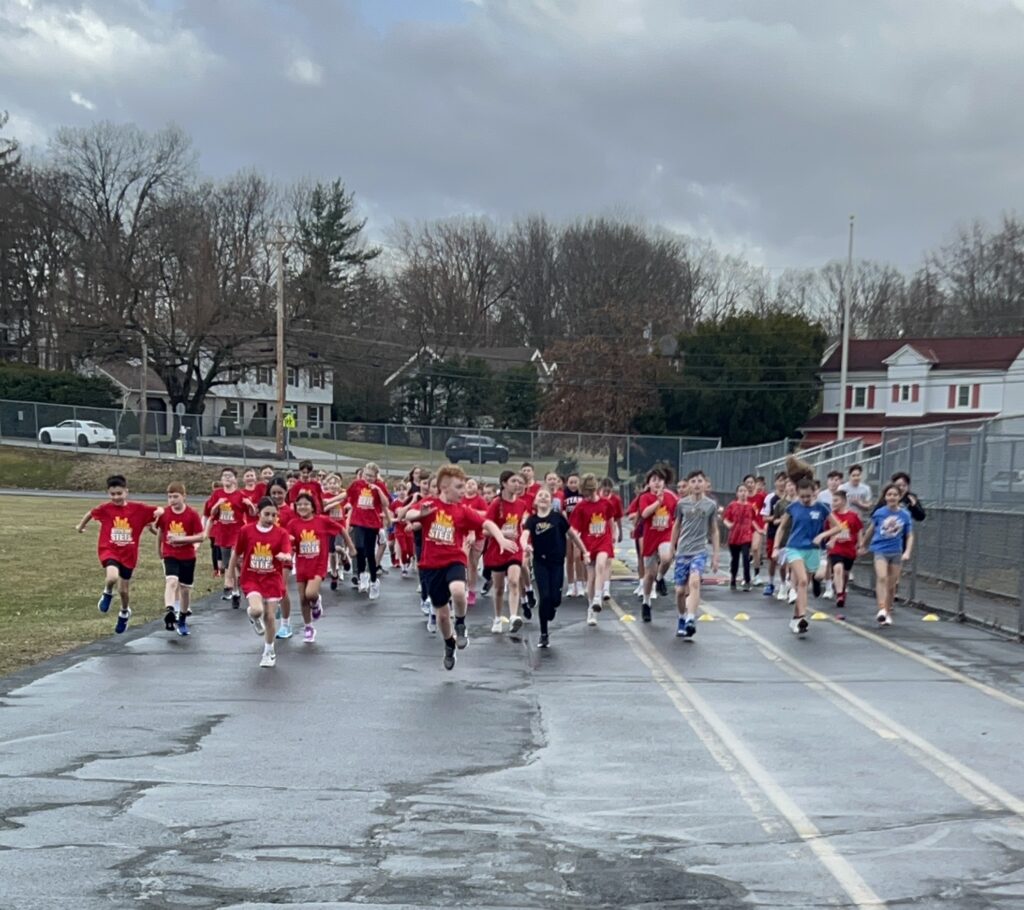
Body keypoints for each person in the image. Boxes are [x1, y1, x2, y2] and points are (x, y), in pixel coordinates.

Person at [403, 465, 515, 670]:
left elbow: (487, 524)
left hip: (454, 559)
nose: (464, 491)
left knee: (457, 591)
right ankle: (448, 644)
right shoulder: (430, 504)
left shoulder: (462, 511)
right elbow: (408, 514)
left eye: (464, 486)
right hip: (430, 565)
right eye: (459, 487)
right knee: (443, 616)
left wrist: (500, 539)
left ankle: (461, 622)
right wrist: (420, 513)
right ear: (444, 488)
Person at [76, 474, 162, 635]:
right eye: (112, 494)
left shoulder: (138, 509)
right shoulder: (105, 509)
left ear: (126, 492)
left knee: (123, 591)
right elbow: (90, 513)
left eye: (119, 494)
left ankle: (124, 612)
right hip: (110, 550)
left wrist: (158, 524)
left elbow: (157, 512)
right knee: (112, 577)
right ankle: (107, 592)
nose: (116, 497)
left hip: (128, 554)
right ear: (108, 493)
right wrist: (80, 527)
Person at [228, 497, 293, 668]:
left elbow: (287, 550)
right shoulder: (246, 531)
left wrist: (286, 556)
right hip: (252, 577)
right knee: (257, 610)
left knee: (270, 616)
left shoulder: (281, 533)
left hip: (272, 579)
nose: (270, 518)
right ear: (258, 513)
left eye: (273, 515)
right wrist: (229, 575)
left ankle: (269, 651)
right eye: (266, 514)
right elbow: (236, 553)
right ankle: (253, 616)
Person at [521, 488, 588, 648]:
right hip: (540, 562)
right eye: (540, 496)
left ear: (551, 501)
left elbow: (572, 535)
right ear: (535, 501)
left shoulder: (558, 518)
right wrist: (526, 546)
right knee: (544, 597)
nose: (543, 498)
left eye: (546, 496)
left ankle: (552, 607)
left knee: (555, 599)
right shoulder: (532, 520)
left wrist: (585, 551)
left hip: (557, 562)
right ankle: (544, 634)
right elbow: (524, 536)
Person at [776, 479, 835, 636]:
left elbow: (839, 526)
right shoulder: (793, 507)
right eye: (802, 496)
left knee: (804, 587)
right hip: (794, 547)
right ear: (797, 493)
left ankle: (796, 619)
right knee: (801, 580)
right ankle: (802, 616)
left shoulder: (822, 508)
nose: (805, 499)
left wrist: (823, 534)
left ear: (815, 492)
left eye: (808, 496)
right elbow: (781, 528)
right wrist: (776, 548)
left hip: (813, 550)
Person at [286, 492, 346, 642]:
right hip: (301, 564)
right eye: (299, 504)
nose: (302, 507)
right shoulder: (293, 524)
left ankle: (317, 600)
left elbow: (341, 529)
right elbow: (289, 544)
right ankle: (309, 627)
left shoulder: (322, 521)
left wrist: (349, 548)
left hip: (318, 564)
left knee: (310, 594)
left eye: (306, 504)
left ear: (313, 507)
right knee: (302, 599)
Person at [670, 471, 719, 638]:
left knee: (695, 582)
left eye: (700, 481)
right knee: (679, 591)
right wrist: (671, 548)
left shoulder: (710, 505)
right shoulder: (682, 504)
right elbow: (676, 526)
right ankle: (682, 617)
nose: (697, 484)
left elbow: (714, 530)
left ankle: (691, 618)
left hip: (699, 551)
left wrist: (715, 555)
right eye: (693, 481)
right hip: (683, 551)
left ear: (705, 484)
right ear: (689, 485)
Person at [859, 483, 914, 626]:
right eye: (889, 495)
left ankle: (888, 612)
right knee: (882, 577)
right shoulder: (880, 513)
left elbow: (909, 535)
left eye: (895, 495)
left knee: (891, 584)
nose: (892, 497)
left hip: (896, 551)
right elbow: (871, 529)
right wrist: (863, 544)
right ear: (885, 496)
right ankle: (882, 608)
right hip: (880, 549)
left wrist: (907, 551)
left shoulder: (905, 515)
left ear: (899, 497)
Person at [154, 481, 205, 636]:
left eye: (175, 496)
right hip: (170, 554)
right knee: (171, 581)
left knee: (185, 590)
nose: (172, 500)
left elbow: (201, 537)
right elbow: (160, 533)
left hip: (188, 556)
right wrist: (159, 550)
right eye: (169, 497)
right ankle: (170, 609)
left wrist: (182, 540)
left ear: (184, 497)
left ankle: (182, 618)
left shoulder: (192, 514)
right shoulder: (165, 514)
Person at [484, 470, 530, 635]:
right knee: (498, 588)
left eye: (519, 482)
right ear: (504, 484)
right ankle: (497, 618)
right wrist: (502, 535)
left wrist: (524, 541)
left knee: (514, 581)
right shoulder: (496, 504)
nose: (517, 485)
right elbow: (486, 530)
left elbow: (520, 527)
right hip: (498, 549)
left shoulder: (522, 504)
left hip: (514, 548)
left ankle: (513, 617)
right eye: (513, 481)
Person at [569, 473, 619, 626]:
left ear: (595, 490)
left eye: (591, 493)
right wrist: (579, 548)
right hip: (588, 543)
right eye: (586, 494)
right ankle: (591, 608)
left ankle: (598, 596)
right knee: (590, 577)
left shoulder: (606, 504)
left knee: (601, 565)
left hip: (603, 541)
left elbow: (611, 522)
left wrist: (614, 536)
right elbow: (574, 530)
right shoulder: (581, 507)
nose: (589, 496)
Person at [203, 467, 254, 608]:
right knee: (231, 565)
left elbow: (252, 513)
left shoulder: (240, 495)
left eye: (230, 476)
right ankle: (236, 591)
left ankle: (233, 587)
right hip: (223, 533)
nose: (227, 478)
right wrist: (218, 504)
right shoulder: (217, 494)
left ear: (235, 479)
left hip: (237, 533)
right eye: (224, 476)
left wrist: (250, 505)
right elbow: (212, 513)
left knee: (234, 559)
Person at [346, 462, 392, 600]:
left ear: (376, 476)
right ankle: (362, 575)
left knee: (370, 553)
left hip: (372, 523)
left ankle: (373, 580)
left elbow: (386, 504)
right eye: (366, 475)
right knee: (359, 547)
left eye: (371, 476)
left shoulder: (379, 486)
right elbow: (347, 496)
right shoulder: (357, 484)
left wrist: (377, 489)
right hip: (358, 521)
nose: (368, 478)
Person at [637, 468, 678, 622]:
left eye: (660, 480)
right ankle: (646, 602)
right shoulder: (645, 497)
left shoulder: (671, 497)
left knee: (667, 558)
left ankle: (660, 579)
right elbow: (645, 513)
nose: (657, 483)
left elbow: (678, 513)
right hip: (650, 537)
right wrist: (657, 502)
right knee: (649, 575)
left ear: (664, 483)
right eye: (653, 480)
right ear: (648, 483)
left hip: (665, 534)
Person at [822, 489, 862, 613]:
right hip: (836, 548)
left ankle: (842, 590)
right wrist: (828, 541)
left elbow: (858, 530)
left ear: (844, 501)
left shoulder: (852, 516)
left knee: (845, 573)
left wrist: (860, 544)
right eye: (832, 500)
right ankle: (839, 594)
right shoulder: (831, 516)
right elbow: (826, 530)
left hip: (849, 549)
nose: (833, 503)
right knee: (837, 568)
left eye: (836, 500)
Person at [722, 484, 757, 591]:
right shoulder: (732, 505)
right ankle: (733, 578)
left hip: (746, 535)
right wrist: (729, 525)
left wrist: (759, 530)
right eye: (741, 491)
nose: (743, 493)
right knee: (735, 559)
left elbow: (754, 520)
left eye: (745, 491)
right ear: (737, 493)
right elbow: (725, 518)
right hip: (735, 535)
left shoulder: (751, 506)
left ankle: (747, 580)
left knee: (746, 558)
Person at [760, 471, 787, 597]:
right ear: (775, 482)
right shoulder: (770, 498)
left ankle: (784, 584)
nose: (783, 483)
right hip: (774, 532)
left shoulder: (792, 498)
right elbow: (764, 518)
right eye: (780, 480)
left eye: (785, 480)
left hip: (789, 534)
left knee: (786, 562)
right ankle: (770, 583)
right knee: (773, 560)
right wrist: (778, 518)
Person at [598, 477, 624, 601]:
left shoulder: (615, 500)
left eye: (609, 490)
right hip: (596, 532)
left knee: (608, 560)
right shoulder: (596, 498)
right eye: (604, 489)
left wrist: (619, 532)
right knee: (597, 562)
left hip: (610, 531)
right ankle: (598, 584)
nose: (607, 492)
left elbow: (617, 517)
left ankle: (606, 588)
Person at [561, 473, 585, 597]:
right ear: (567, 483)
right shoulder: (563, 496)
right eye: (571, 482)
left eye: (576, 482)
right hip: (568, 528)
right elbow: (562, 510)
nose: (573, 485)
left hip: (580, 528)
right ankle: (571, 585)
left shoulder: (583, 495)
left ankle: (580, 584)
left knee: (578, 557)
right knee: (569, 557)